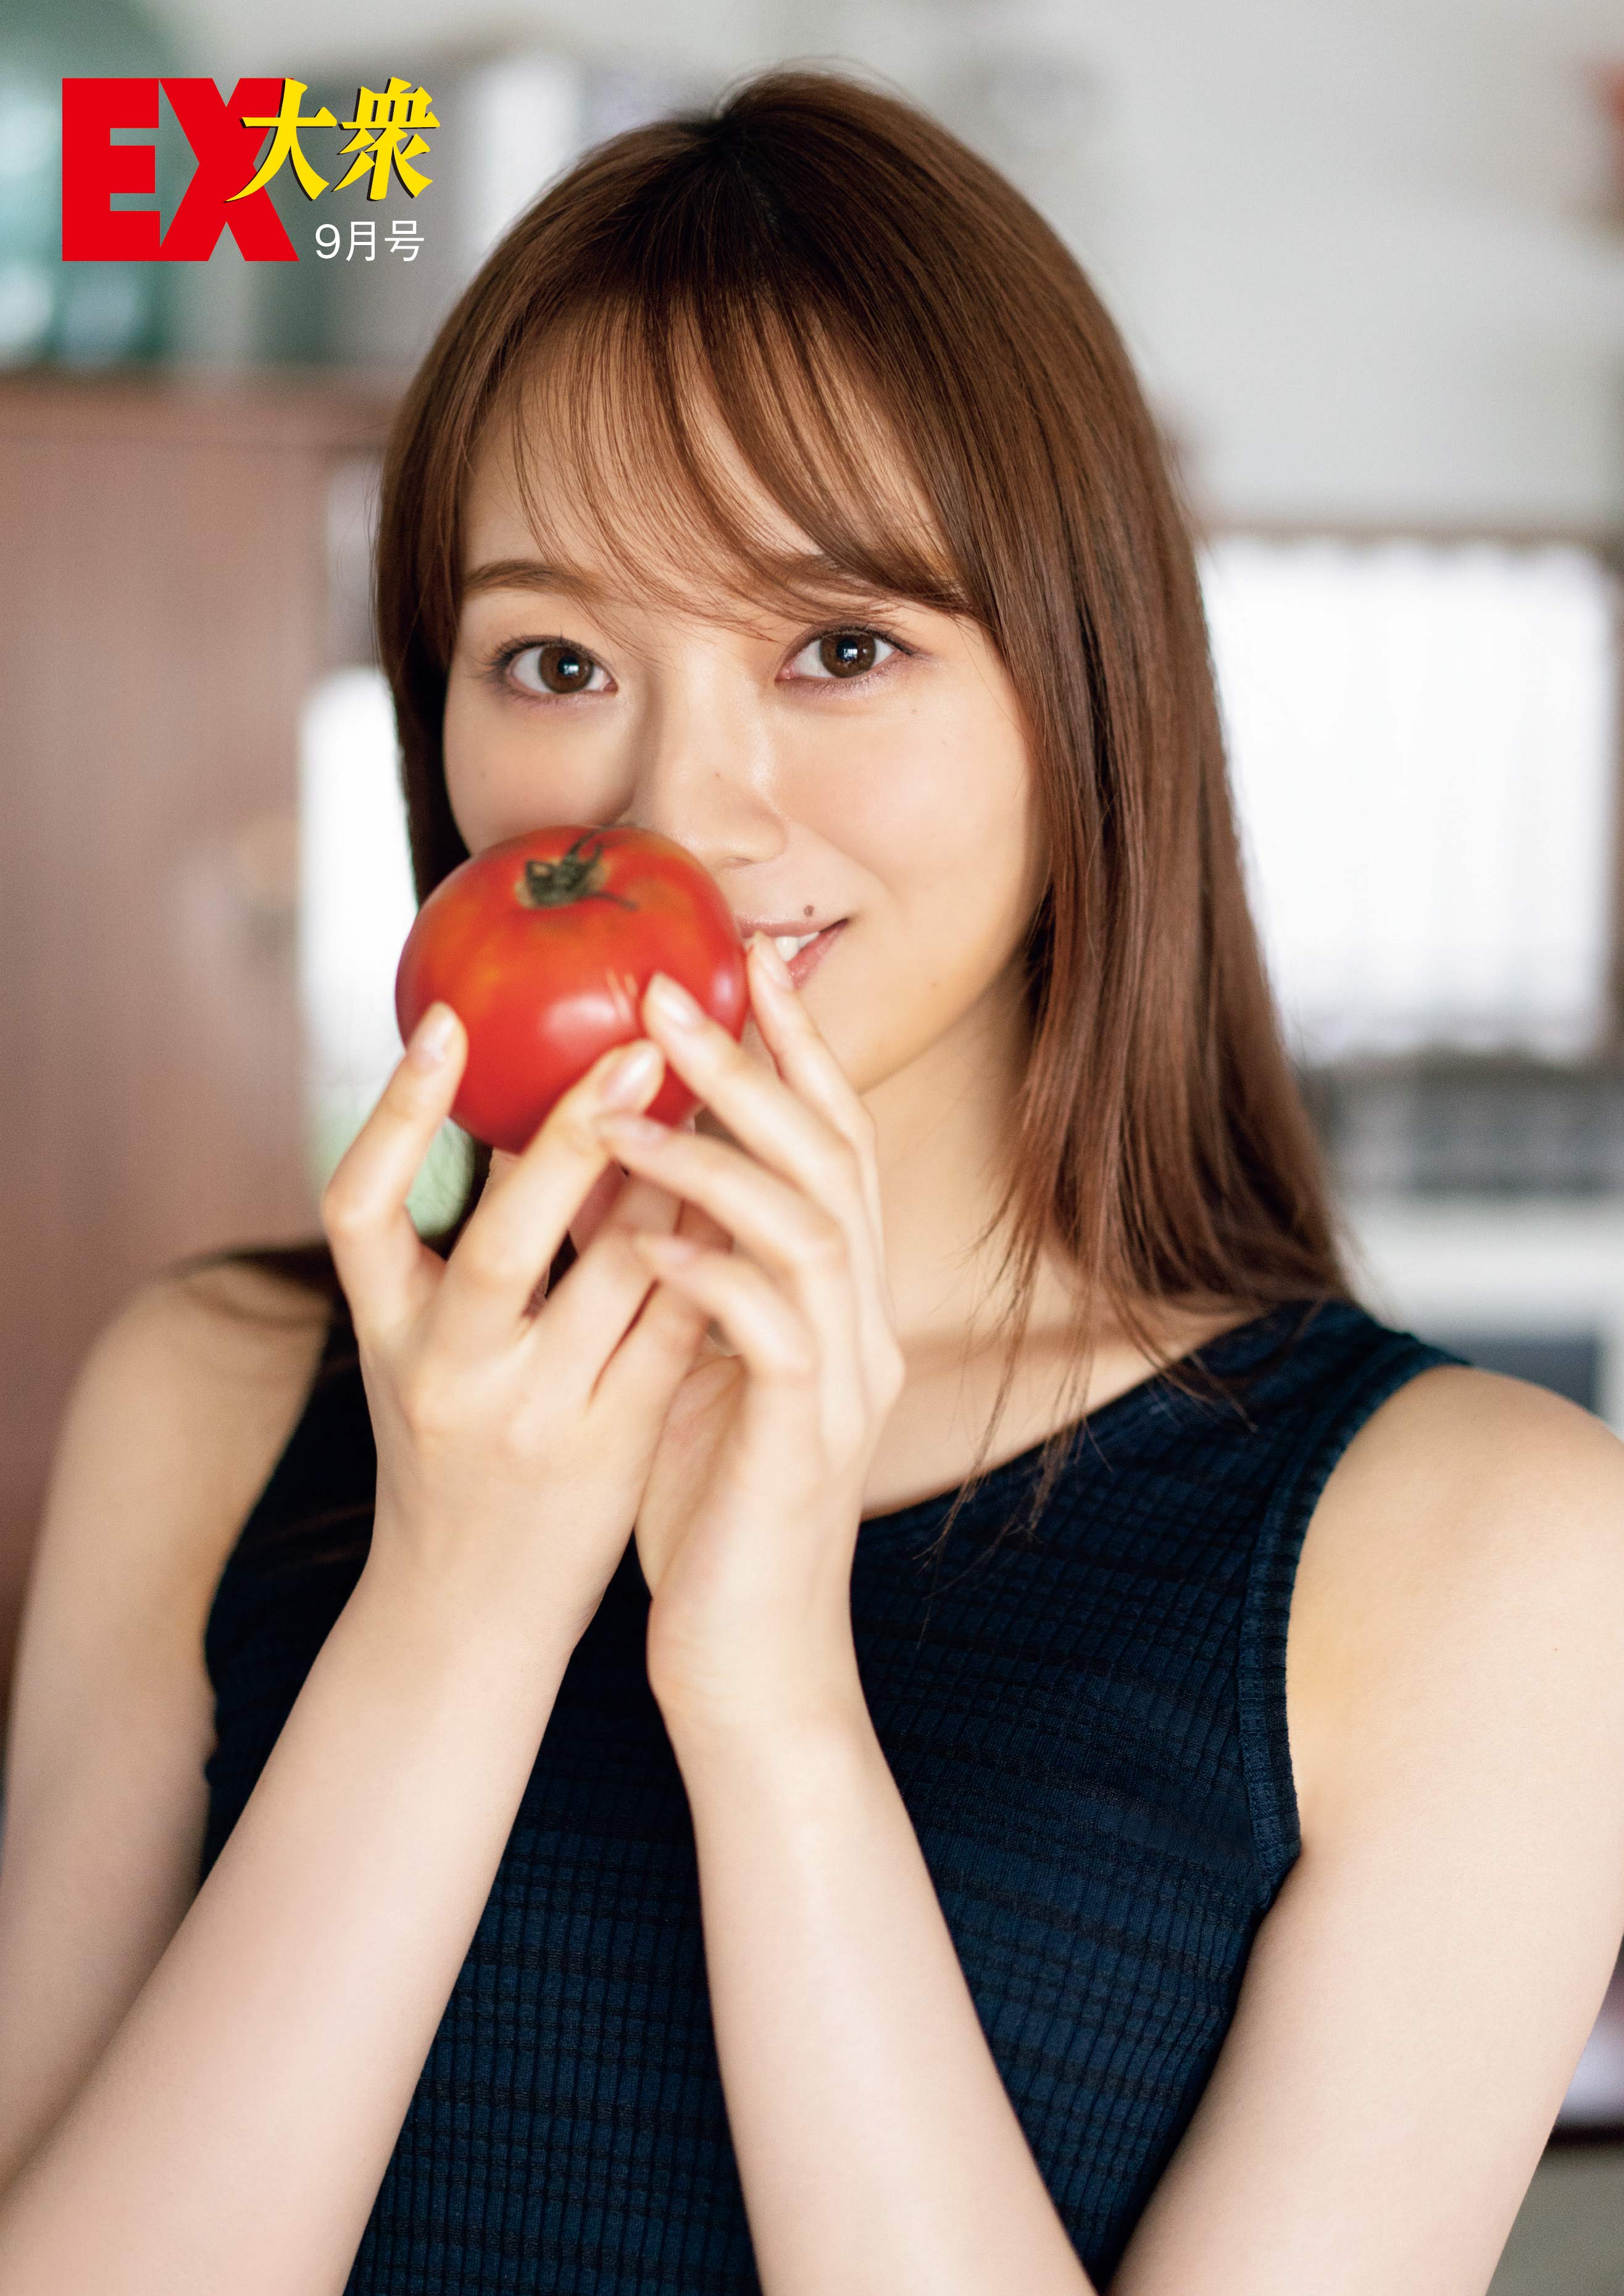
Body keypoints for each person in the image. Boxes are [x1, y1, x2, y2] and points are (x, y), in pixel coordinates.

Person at [1, 66, 1622, 2296]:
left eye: (841, 649)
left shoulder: (1488, 1556)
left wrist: (771, 1704)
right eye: (556, 659)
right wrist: (456, 1607)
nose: (683, 805)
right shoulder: (211, 1393)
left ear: (1088, 699)